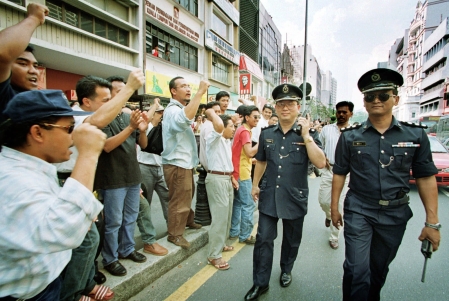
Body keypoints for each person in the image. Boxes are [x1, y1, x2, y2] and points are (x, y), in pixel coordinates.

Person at [331, 68, 441, 300]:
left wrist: (432, 222)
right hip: (359, 208)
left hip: (394, 214)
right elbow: (340, 173)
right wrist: (334, 207)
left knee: (378, 271)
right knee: (356, 269)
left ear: (396, 99)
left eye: (383, 95)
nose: (376, 100)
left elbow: (425, 177)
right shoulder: (350, 136)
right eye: (370, 96)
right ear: (365, 101)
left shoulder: (415, 136)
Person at [0, 90, 105, 301]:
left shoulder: (31, 168)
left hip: (42, 285)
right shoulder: (13, 179)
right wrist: (88, 154)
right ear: (38, 133)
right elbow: (64, 230)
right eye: (68, 128)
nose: (73, 137)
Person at [54, 71, 144, 296]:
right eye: (106, 100)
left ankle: (86, 283)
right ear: (86, 101)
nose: (111, 104)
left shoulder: (112, 117)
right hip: (68, 182)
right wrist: (129, 89)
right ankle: (73, 292)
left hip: (84, 184)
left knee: (90, 238)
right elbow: (101, 130)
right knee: (88, 239)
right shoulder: (76, 117)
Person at [245, 84, 326, 301]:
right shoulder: (267, 133)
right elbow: (260, 161)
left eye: (290, 103)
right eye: (281, 103)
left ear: (298, 106)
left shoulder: (309, 134)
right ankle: (260, 283)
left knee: (291, 240)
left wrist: (307, 135)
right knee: (263, 240)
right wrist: (255, 185)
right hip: (270, 194)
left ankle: (286, 269)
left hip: (294, 197)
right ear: (276, 107)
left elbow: (320, 162)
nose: (285, 107)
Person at [95, 76, 149, 277]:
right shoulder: (102, 117)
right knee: (113, 221)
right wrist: (132, 128)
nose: (122, 95)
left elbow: (142, 144)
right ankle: (110, 258)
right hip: (113, 178)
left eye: (124, 91)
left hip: (133, 175)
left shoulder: (127, 116)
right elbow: (107, 146)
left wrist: (141, 130)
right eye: (118, 91)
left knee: (131, 217)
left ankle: (126, 249)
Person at [162, 77, 209, 249]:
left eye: (189, 85)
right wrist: (200, 92)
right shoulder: (173, 110)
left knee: (187, 195)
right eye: (183, 86)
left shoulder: (180, 108)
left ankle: (188, 221)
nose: (188, 88)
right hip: (177, 163)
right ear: (173, 91)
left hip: (184, 163)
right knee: (179, 200)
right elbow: (183, 120)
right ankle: (175, 234)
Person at [0, 3, 48, 118]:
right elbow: (2, 53)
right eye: (23, 64)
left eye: (35, 66)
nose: (34, 71)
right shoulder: (5, 96)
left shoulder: (35, 100)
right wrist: (34, 18)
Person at [204, 109, 237, 270]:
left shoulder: (226, 141)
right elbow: (217, 124)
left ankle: (221, 243)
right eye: (231, 126)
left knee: (227, 215)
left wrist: (231, 177)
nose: (233, 129)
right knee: (219, 217)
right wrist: (210, 110)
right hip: (216, 179)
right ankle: (213, 255)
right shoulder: (213, 138)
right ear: (222, 127)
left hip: (226, 178)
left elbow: (225, 162)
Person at [317, 101, 354, 250]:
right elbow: (319, 145)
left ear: (351, 113)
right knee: (323, 201)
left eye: (345, 112)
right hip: (329, 170)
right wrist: (323, 156)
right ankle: (328, 215)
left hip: (345, 174)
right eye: (339, 112)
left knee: (339, 205)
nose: (341, 114)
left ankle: (334, 237)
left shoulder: (354, 131)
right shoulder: (327, 129)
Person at [137, 100, 169, 256]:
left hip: (160, 168)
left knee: (168, 197)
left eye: (161, 112)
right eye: (159, 112)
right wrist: (154, 105)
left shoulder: (164, 128)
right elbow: (146, 120)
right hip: (144, 167)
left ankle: (173, 229)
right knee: (145, 204)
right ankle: (147, 240)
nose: (161, 114)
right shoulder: (147, 127)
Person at [229, 105, 260, 245]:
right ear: (247, 117)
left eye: (258, 117)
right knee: (248, 204)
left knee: (238, 204)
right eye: (255, 117)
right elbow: (249, 152)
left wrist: (251, 161)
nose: (257, 120)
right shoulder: (245, 132)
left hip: (237, 171)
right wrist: (262, 141)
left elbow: (243, 154)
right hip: (243, 174)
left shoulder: (241, 129)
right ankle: (246, 235)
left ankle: (234, 232)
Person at [199, 101, 221, 171]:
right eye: (215, 112)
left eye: (219, 111)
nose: (217, 114)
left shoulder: (211, 124)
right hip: (211, 167)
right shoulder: (209, 126)